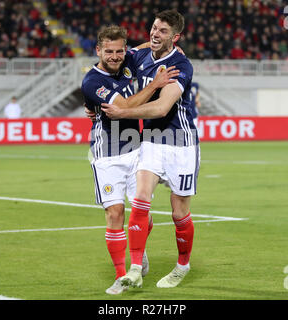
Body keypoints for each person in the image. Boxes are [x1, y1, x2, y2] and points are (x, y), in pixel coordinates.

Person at [101, 10, 199, 290]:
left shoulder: (180, 65)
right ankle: (134, 268)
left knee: (179, 213)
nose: (155, 34)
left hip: (181, 142)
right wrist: (94, 102)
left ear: (176, 37)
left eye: (163, 31)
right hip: (152, 139)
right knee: (140, 199)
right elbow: (114, 59)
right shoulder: (141, 57)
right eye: (154, 28)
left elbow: (161, 107)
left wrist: (122, 112)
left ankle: (182, 265)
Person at [81, 25, 179, 295]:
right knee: (115, 213)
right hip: (107, 157)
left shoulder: (128, 60)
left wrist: (173, 49)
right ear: (98, 50)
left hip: (138, 151)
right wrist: (157, 86)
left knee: (142, 215)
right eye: (109, 51)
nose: (115, 56)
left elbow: (147, 46)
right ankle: (121, 275)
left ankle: (139, 250)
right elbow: (122, 107)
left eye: (119, 51)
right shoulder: (92, 81)